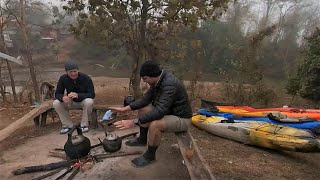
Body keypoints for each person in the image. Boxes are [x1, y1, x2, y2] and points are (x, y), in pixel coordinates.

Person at [110, 60, 192, 167]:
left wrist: (134, 121)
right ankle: (142, 139)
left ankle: (150, 155)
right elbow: (145, 99)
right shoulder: (159, 80)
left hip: (181, 118)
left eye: (145, 78)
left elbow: (160, 111)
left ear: (152, 76)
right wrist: (125, 109)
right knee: (143, 109)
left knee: (155, 125)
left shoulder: (169, 84)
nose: (144, 81)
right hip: (169, 112)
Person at [53, 61, 95, 134]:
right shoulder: (63, 78)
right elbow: (57, 93)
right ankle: (67, 125)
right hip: (70, 102)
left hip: (83, 102)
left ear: (78, 70)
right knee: (56, 103)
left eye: (75, 71)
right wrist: (62, 98)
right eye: (70, 72)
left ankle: (84, 125)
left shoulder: (86, 78)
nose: (73, 73)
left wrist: (78, 95)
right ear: (67, 72)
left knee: (89, 101)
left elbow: (92, 94)